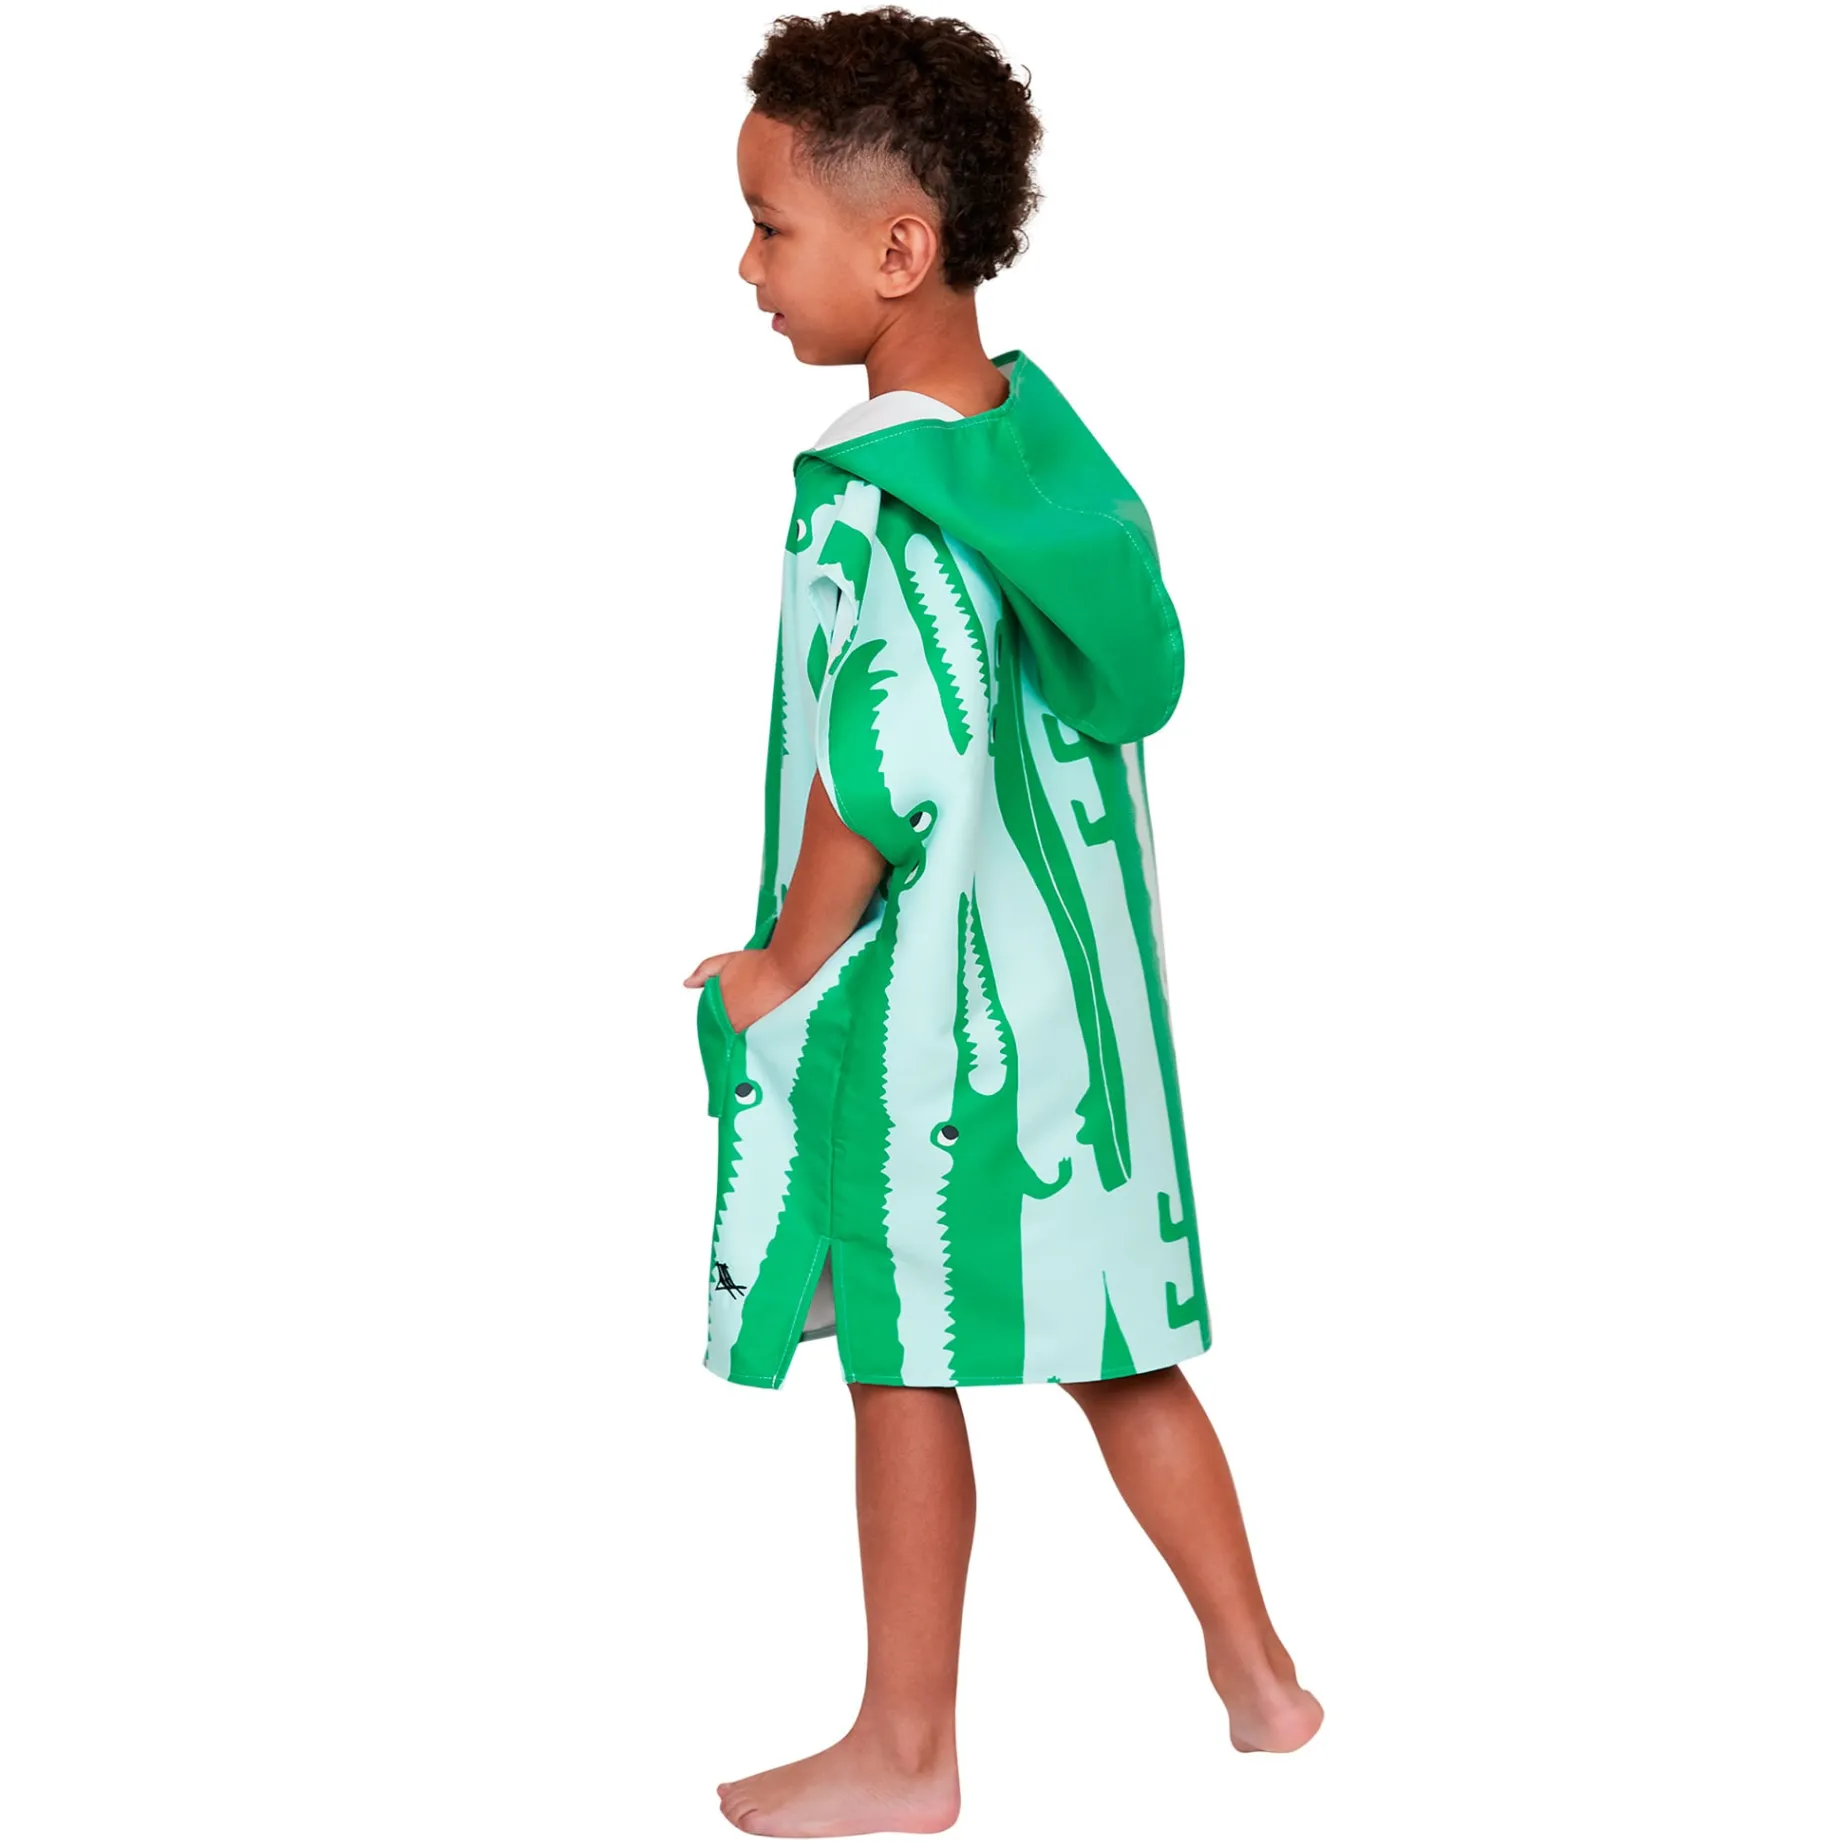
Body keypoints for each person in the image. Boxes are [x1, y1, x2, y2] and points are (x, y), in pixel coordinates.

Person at [685, 9, 1321, 1835]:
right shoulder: (1044, 465)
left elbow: (876, 767)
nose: (745, 268)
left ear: (900, 248)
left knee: (904, 1354)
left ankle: (907, 1749)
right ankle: (1261, 1681)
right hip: (1078, 1031)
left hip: (928, 1030)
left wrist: (778, 965)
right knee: (1121, 1352)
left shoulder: (880, 506)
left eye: (769, 227)